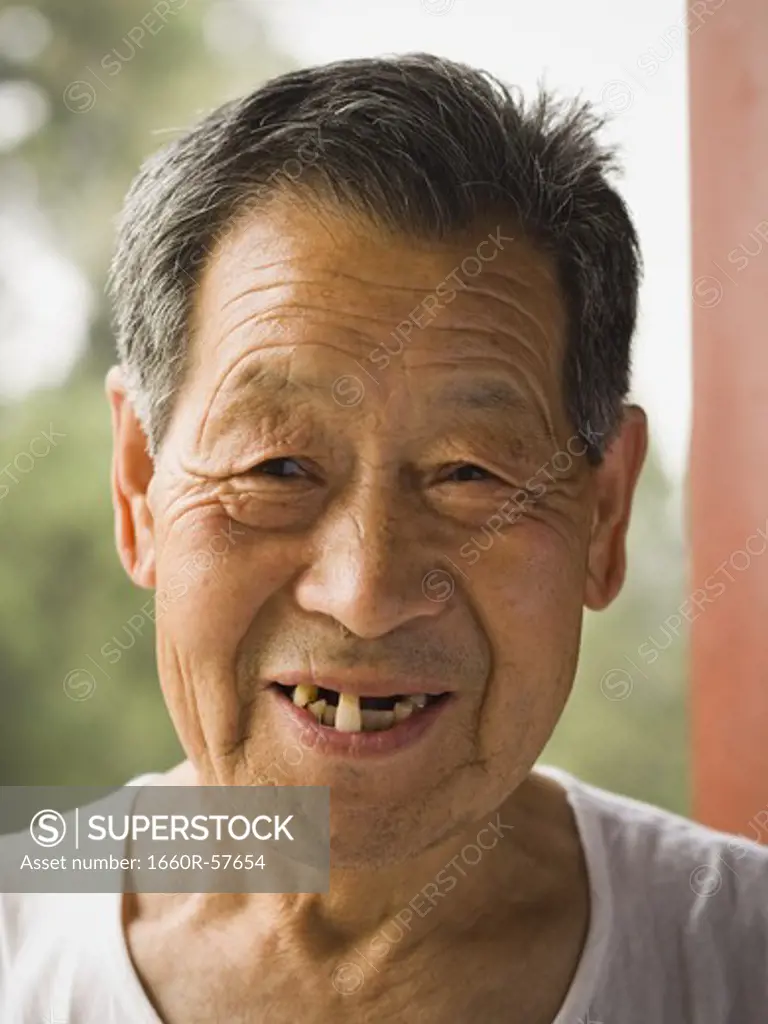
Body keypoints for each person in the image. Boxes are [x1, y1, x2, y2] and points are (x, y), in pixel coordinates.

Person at [1, 53, 766, 1024]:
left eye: (469, 474)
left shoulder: (740, 955)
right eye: (278, 468)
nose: (364, 589)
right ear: (140, 484)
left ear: (604, 514)